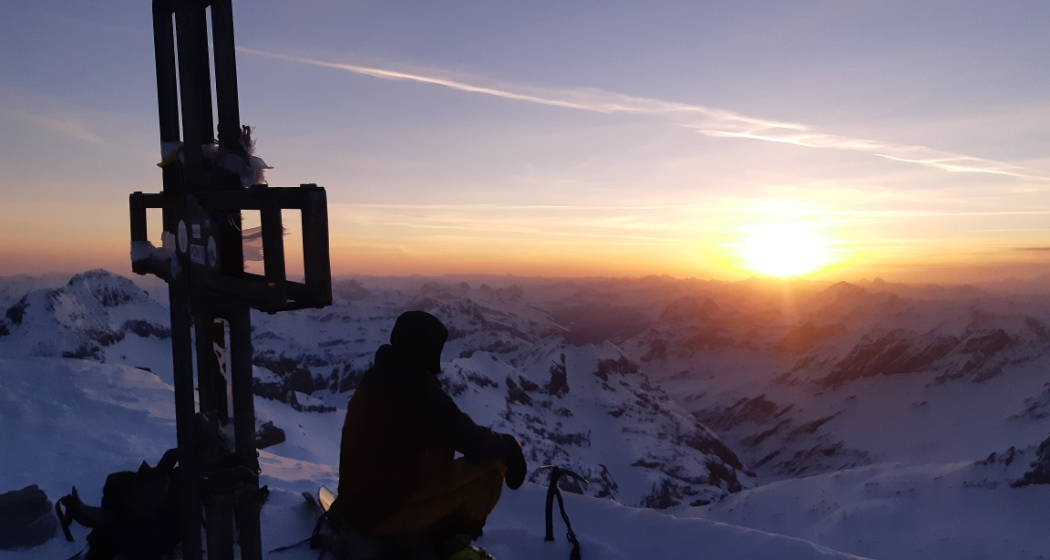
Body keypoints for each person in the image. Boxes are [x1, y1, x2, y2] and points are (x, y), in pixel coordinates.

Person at [333, 310, 527, 558]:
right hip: (384, 515)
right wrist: (511, 447)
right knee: (492, 468)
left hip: (357, 508)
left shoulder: (379, 376)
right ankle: (447, 541)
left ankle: (415, 532)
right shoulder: (416, 392)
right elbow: (472, 440)